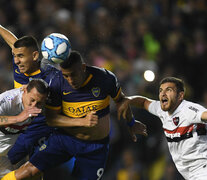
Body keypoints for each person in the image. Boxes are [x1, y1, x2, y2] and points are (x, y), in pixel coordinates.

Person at [2, 50, 147, 180]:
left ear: (83, 68)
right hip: (65, 139)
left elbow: (122, 101)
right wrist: (81, 121)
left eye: (73, 74)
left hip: (95, 147)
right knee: (28, 171)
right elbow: (52, 119)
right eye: (66, 75)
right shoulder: (58, 83)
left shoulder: (104, 78)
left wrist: (131, 123)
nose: (70, 80)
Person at [0, 24, 99, 177]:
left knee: (32, 171)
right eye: (16, 56)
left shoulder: (54, 78)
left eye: (20, 56)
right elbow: (13, 42)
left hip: (39, 128)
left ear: (34, 56)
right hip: (17, 128)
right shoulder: (20, 63)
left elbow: (75, 88)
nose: (17, 60)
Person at [118, 77, 207, 180]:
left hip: (202, 170)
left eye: (169, 90)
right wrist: (129, 100)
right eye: (161, 90)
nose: (163, 93)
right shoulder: (161, 110)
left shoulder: (188, 110)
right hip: (187, 173)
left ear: (180, 95)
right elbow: (144, 102)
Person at [0, 78, 49, 177]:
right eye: (32, 100)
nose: (34, 105)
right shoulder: (8, 100)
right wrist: (18, 118)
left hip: (2, 156)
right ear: (25, 90)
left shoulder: (40, 107)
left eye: (39, 103)